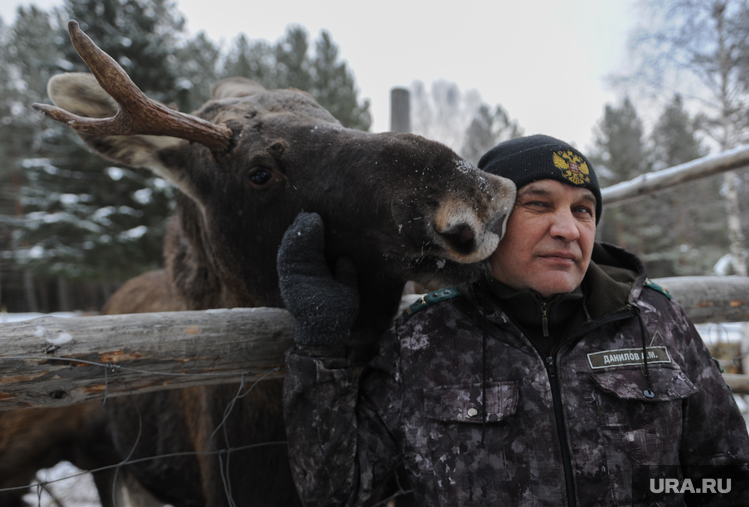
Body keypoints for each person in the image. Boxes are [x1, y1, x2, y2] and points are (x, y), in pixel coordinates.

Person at [278, 135, 749, 506]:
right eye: (539, 204)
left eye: (583, 210)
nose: (567, 229)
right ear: (489, 220)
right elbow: (337, 492)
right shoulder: (422, 341)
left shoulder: (655, 320)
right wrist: (322, 346)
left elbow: (728, 475)